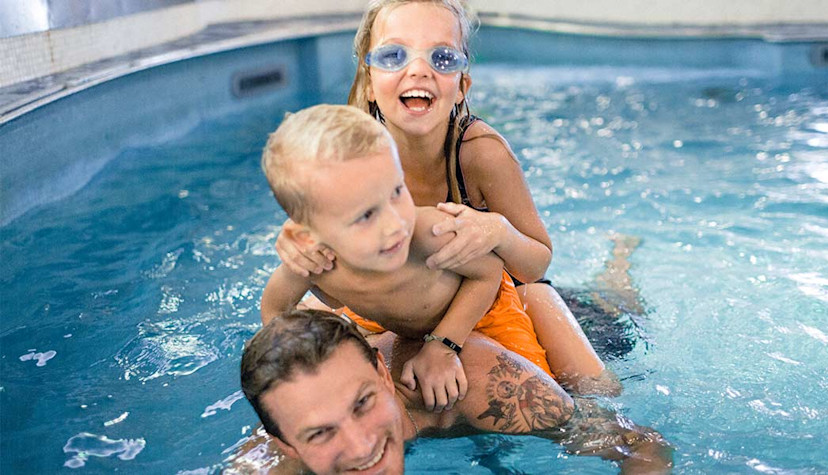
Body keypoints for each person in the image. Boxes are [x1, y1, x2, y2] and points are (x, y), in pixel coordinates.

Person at [273, 0, 612, 393]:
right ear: (369, 81)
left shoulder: (481, 154)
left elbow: (535, 264)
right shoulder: (354, 152)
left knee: (596, 393)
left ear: (461, 86)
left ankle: (617, 268)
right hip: (406, 296)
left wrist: (499, 230)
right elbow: (315, 213)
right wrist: (296, 238)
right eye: (394, 55)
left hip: (488, 298)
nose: (418, 69)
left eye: (443, 57)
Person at [260, 104, 555, 413]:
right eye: (366, 214)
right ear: (308, 236)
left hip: (486, 313)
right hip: (392, 320)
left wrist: (443, 345)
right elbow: (275, 310)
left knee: (538, 400)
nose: (395, 223)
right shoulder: (312, 261)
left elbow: (489, 272)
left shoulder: (427, 233)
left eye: (397, 191)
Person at [237, 308, 672, 474]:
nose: (360, 444)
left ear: (384, 375)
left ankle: (619, 262)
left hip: (545, 324)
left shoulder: (489, 386)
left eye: (363, 403)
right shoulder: (278, 435)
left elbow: (641, 445)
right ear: (286, 444)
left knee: (603, 383)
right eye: (320, 433)